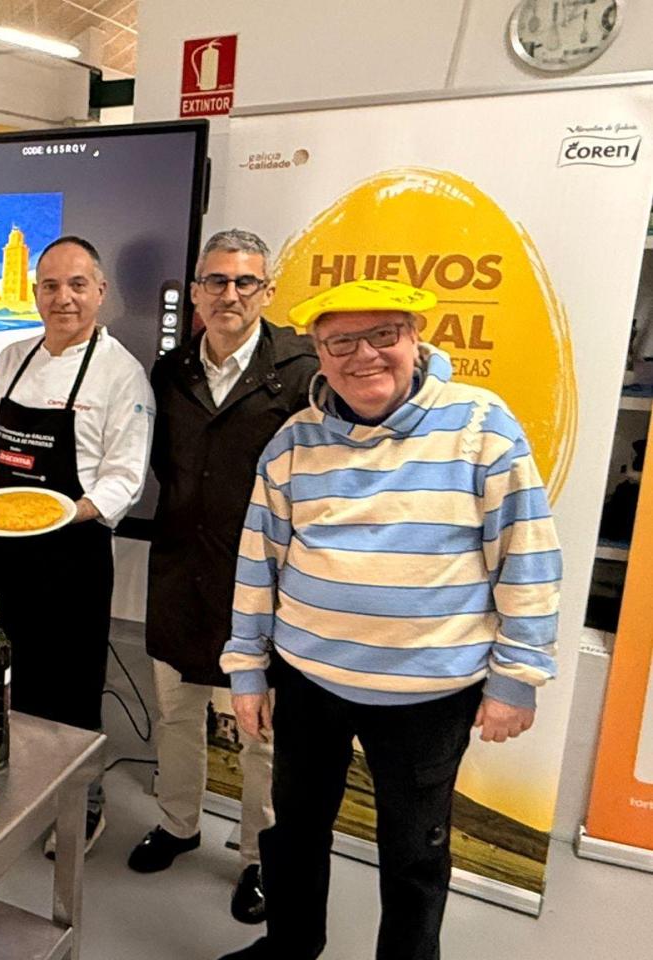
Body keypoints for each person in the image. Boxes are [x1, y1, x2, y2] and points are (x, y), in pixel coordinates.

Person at [218, 279, 561, 960]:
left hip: (428, 695)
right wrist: (247, 669)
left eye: (384, 335)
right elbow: (258, 562)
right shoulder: (293, 443)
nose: (364, 355)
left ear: (415, 338)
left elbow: (527, 556)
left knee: (414, 852)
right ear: (319, 353)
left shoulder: (482, 426)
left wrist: (516, 679)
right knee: (295, 832)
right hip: (309, 680)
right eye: (341, 341)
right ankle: (290, 948)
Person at [135, 229, 318, 922]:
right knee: (176, 712)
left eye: (245, 282)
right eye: (216, 281)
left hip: (265, 583)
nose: (229, 294)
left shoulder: (300, 371)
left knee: (259, 734)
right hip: (180, 569)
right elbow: (163, 464)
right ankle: (178, 823)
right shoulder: (171, 370)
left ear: (267, 292)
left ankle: (257, 859)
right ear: (196, 292)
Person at [0, 235, 155, 853]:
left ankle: (80, 804)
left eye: (76, 285)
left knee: (68, 687)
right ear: (36, 293)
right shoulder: (13, 358)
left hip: (72, 555)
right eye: (49, 285)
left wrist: (65, 511)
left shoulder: (122, 374)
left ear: (100, 291)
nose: (62, 298)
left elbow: (125, 475)